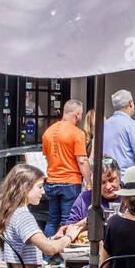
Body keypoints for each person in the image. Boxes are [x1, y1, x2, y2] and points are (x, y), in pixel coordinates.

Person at [0, 163, 78, 268]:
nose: (43, 192)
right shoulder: (22, 215)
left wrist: (57, 237)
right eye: (40, 186)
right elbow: (50, 249)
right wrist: (69, 237)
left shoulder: (13, 212)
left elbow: (44, 244)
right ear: (25, 187)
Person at [40, 99, 90, 238]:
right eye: (80, 114)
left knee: (52, 220)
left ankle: (47, 255)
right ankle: (63, 255)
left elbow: (46, 156)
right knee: (67, 221)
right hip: (70, 182)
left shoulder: (48, 132)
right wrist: (89, 182)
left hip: (51, 181)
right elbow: (82, 160)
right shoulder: (77, 133)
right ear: (77, 113)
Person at [65, 155, 122, 227]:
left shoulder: (129, 198)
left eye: (111, 180)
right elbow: (69, 229)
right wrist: (90, 220)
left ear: (119, 177)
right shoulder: (85, 198)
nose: (108, 187)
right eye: (102, 182)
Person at [101, 89, 135, 172]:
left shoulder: (104, 125)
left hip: (107, 176)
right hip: (125, 178)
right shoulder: (132, 125)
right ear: (130, 103)